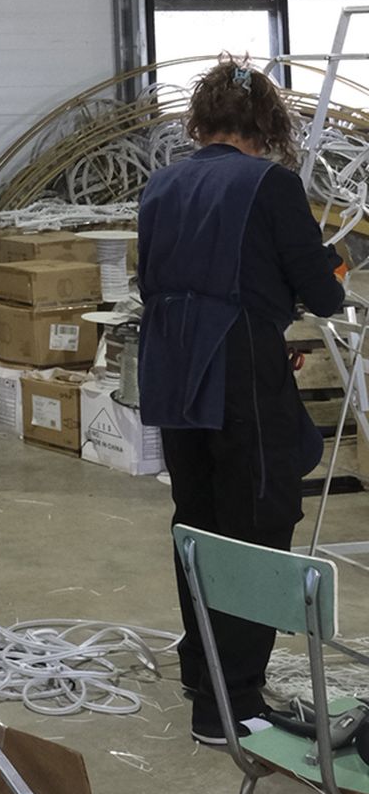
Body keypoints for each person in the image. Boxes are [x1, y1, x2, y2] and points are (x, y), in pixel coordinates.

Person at [137, 58, 342, 748]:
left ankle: (204, 678)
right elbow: (322, 290)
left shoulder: (160, 185)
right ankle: (238, 703)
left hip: (170, 364)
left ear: (200, 121)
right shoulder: (272, 185)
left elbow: (155, 280)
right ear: (267, 126)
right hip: (239, 366)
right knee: (257, 520)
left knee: (197, 519)